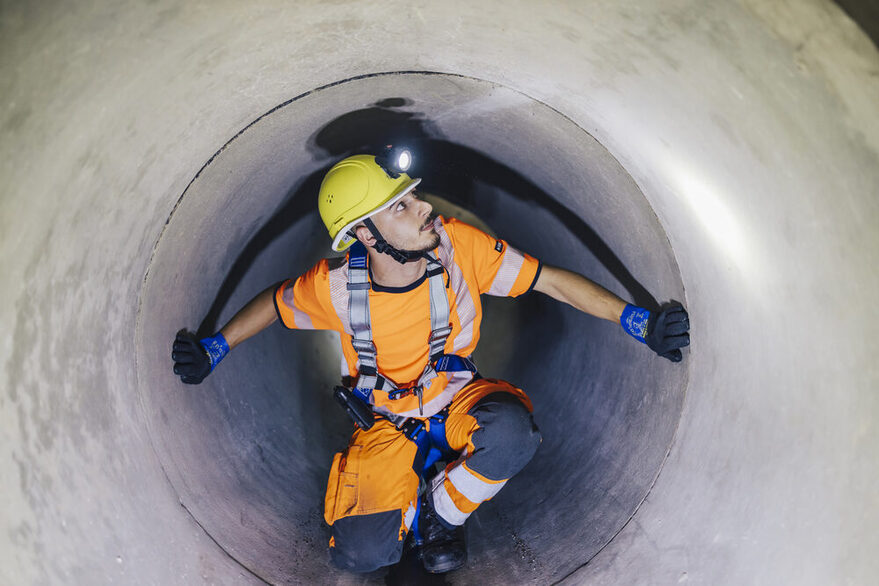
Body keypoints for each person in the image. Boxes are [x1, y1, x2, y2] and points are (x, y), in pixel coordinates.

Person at [171, 149, 690, 575]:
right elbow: (275, 304)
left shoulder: (458, 248)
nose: (424, 209)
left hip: (459, 401)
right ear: (364, 236)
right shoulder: (334, 288)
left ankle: (438, 513)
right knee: (361, 555)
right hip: (386, 425)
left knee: (511, 432)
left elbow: (548, 279)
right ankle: (409, 498)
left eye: (413, 197)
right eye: (400, 207)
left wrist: (637, 322)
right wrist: (217, 347)